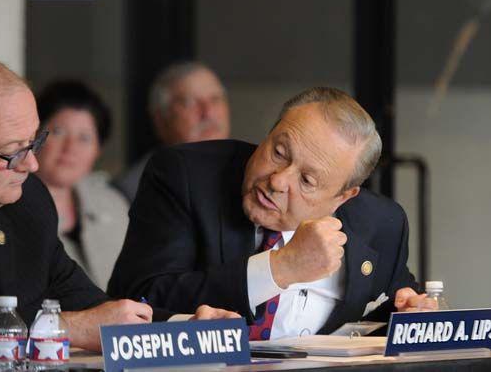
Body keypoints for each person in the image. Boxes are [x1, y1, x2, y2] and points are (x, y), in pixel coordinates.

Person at [0, 53, 237, 350]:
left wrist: (184, 328)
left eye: (34, 143)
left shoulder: (26, 201)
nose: (31, 165)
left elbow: (86, 304)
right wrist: (65, 328)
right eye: (12, 152)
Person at [108, 87, 427, 340]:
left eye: (306, 181)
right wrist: (279, 268)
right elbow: (138, 301)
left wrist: (412, 315)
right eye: (278, 152)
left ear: (342, 197)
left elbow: (394, 307)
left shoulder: (380, 222)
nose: (277, 181)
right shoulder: (187, 176)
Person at [35, 81, 128, 290]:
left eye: (84, 138)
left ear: (98, 150)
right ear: (35, 136)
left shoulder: (113, 205)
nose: (70, 147)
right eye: (58, 132)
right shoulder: (6, 206)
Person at [114, 61, 230, 201]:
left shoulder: (253, 174)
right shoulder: (133, 191)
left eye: (215, 99)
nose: (208, 113)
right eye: (190, 103)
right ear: (160, 119)